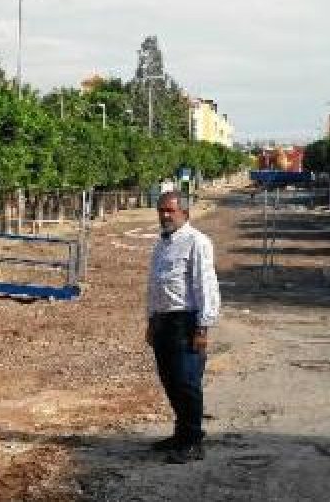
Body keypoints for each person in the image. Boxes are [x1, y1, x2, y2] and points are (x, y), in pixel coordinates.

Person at [145, 191, 221, 464]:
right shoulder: (162, 244)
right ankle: (180, 434)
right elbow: (155, 286)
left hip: (186, 322)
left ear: (185, 213)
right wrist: (151, 321)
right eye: (161, 211)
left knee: (187, 384)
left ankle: (192, 442)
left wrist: (203, 328)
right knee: (170, 382)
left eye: (170, 211)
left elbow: (206, 286)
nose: (165, 215)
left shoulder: (197, 243)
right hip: (163, 322)